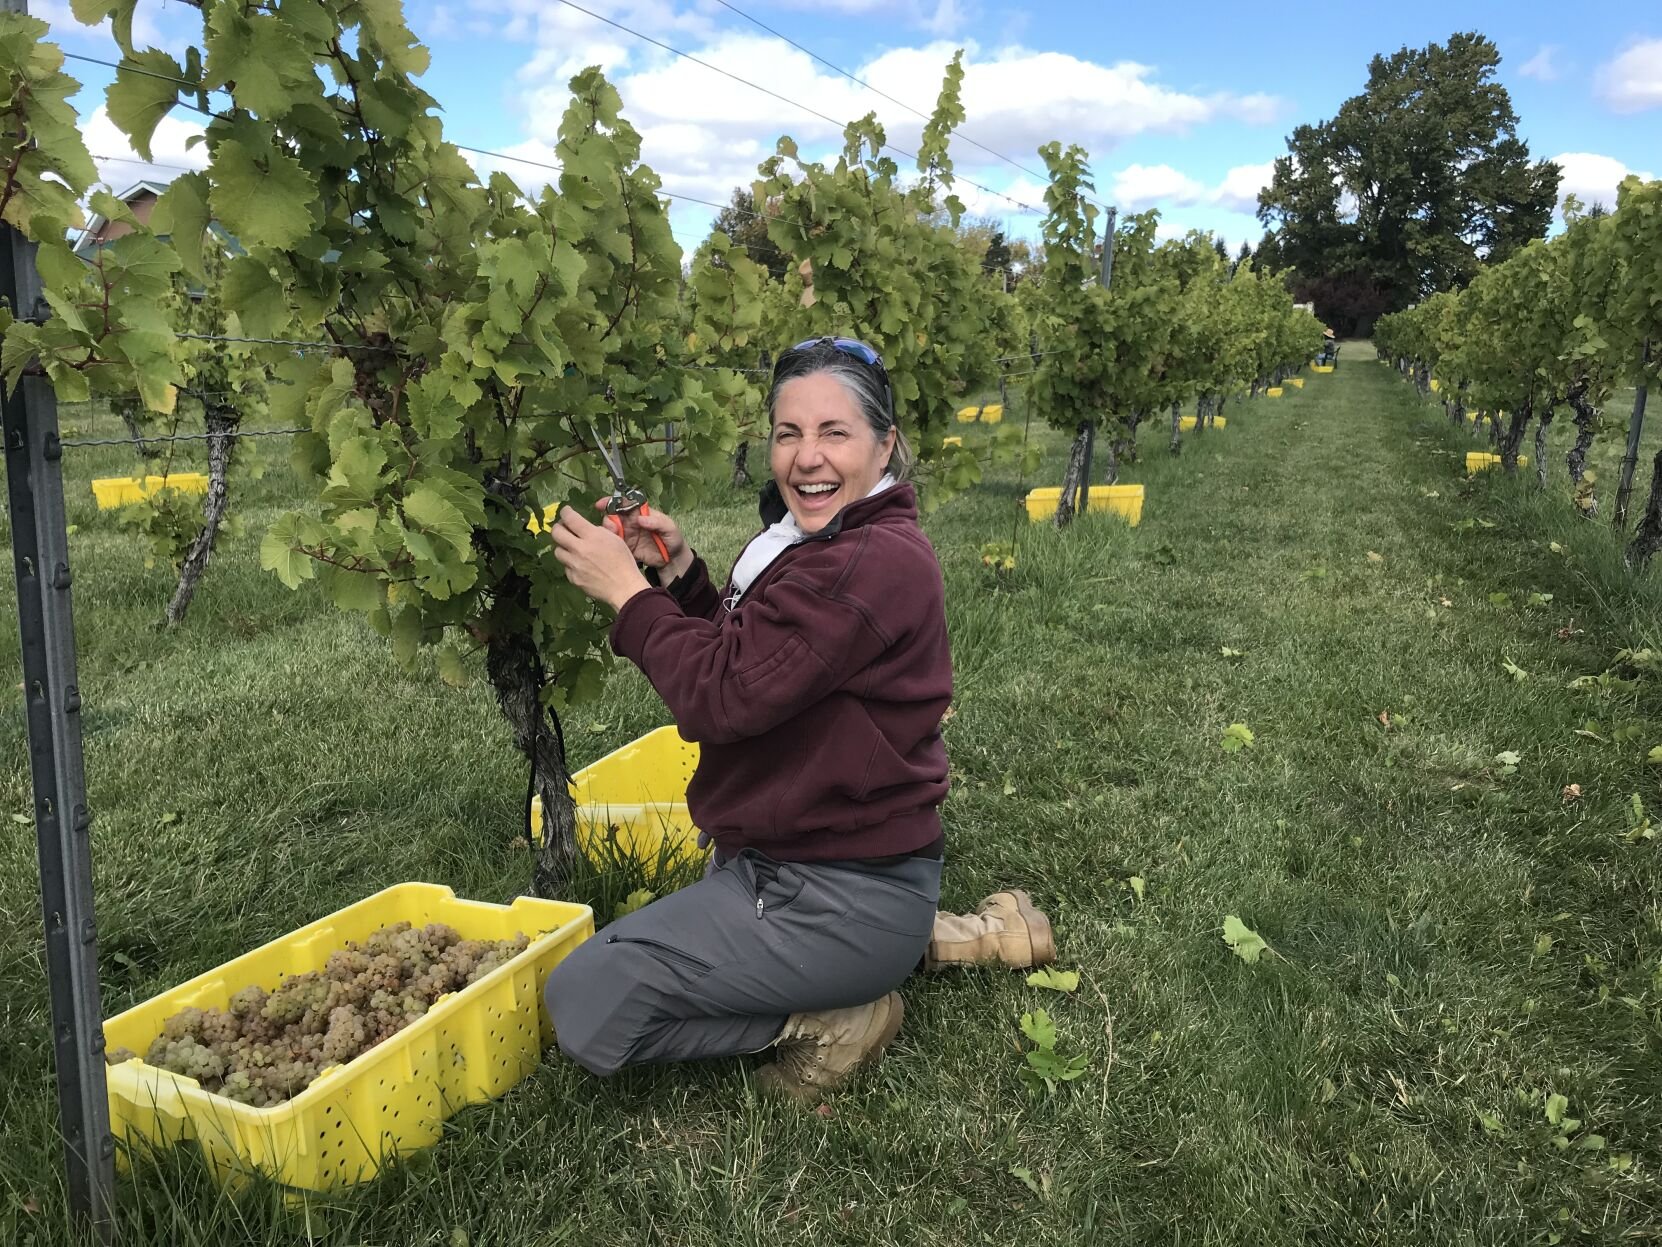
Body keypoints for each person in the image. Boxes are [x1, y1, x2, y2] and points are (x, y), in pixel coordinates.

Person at [542, 335, 1055, 1102]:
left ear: (885, 445)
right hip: (811, 868)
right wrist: (678, 578)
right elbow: (763, 660)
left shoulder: (866, 562)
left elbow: (724, 696)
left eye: (834, 432)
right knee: (663, 953)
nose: (805, 457)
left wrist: (630, 596)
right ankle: (932, 938)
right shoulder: (824, 539)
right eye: (789, 433)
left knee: (586, 1002)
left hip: (828, 887)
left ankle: (838, 1013)